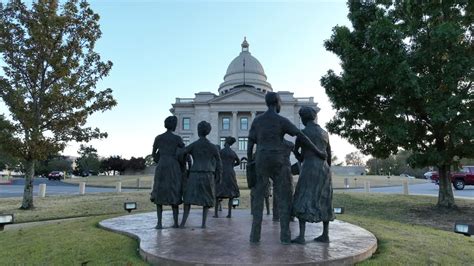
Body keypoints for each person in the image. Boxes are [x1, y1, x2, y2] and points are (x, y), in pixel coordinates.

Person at [247, 92, 327, 244]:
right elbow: (300, 136)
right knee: (284, 197)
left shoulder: (257, 121)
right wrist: (317, 151)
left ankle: (254, 236)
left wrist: (251, 162)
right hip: (279, 160)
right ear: (277, 103)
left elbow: (251, 143)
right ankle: (285, 236)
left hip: (262, 160)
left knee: (257, 198)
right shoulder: (281, 120)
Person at [292, 106, 334, 244]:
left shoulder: (303, 133)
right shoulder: (324, 133)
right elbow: (328, 154)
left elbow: (298, 154)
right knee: (325, 199)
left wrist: (298, 155)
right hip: (324, 169)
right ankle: (325, 234)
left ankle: (302, 236)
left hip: (309, 167)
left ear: (303, 118)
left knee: (303, 197)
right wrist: (327, 169)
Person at [180, 121, 222, 228]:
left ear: (199, 131)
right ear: (208, 132)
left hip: (195, 173)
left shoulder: (194, 145)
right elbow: (219, 162)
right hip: (208, 174)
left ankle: (183, 223)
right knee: (206, 199)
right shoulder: (213, 147)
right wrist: (219, 175)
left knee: (188, 199)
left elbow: (182, 153)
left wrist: (186, 167)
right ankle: (203, 224)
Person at [150, 116, 184, 229]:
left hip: (162, 164)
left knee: (159, 190)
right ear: (174, 125)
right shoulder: (177, 139)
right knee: (174, 190)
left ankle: (159, 223)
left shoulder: (158, 138)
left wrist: (160, 160)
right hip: (173, 166)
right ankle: (175, 223)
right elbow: (183, 152)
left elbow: (153, 154)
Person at [214, 137, 241, 218]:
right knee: (231, 194)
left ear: (226, 143)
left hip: (222, 173)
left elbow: (216, 162)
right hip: (230, 173)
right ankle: (229, 214)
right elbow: (239, 162)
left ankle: (216, 214)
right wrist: (232, 166)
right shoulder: (233, 153)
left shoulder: (221, 152)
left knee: (218, 193)